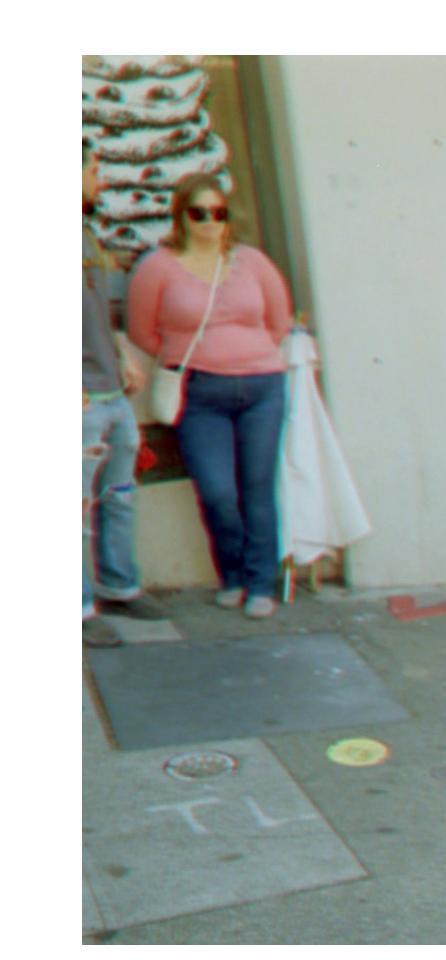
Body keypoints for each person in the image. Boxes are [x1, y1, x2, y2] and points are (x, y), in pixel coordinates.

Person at [127, 172, 293, 619]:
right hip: (200, 394)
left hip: (262, 387)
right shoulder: (158, 266)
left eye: (218, 213)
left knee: (258, 488)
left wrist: (250, 353)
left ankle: (261, 583)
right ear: (182, 216)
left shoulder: (252, 261)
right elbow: (142, 330)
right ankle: (232, 575)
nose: (209, 222)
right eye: (199, 213)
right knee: (217, 490)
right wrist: (186, 356)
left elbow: (279, 320)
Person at [83, 138, 169, 647]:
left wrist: (121, 352)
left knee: (118, 494)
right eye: (92, 170)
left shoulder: (86, 235)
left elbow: (95, 309)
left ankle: (119, 586)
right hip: (82, 399)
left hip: (111, 389)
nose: (99, 181)